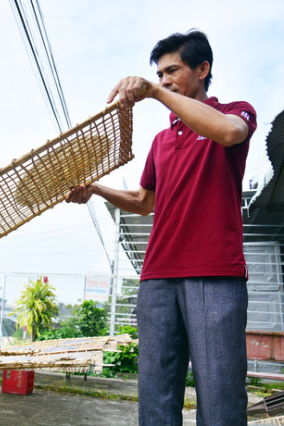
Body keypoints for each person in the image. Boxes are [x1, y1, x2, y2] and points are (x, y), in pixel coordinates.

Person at [65, 30, 257, 426]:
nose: (166, 79)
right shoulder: (161, 141)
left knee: (221, 397)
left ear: (203, 70)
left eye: (173, 71)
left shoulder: (234, 112)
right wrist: (96, 188)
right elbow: (143, 202)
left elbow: (228, 133)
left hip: (215, 275)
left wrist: (154, 92)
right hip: (156, 278)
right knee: (155, 395)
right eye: (160, 73)